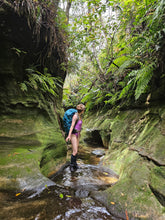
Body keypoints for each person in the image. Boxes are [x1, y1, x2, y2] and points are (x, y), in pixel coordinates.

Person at [66, 104, 85, 172]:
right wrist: (69, 135)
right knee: (75, 151)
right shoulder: (75, 116)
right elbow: (72, 126)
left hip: (78, 134)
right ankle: (71, 166)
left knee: (76, 150)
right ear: (82, 110)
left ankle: (75, 164)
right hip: (73, 134)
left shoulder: (80, 116)